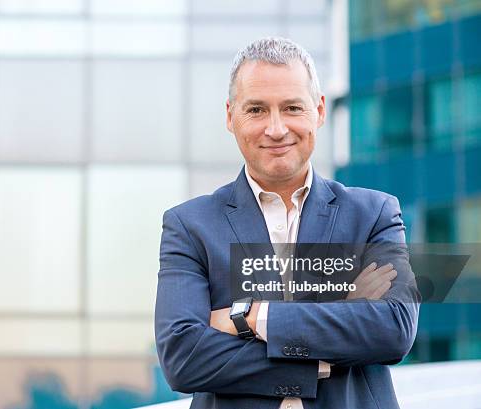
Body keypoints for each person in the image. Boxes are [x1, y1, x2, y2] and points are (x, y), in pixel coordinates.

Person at [154, 37, 420, 409]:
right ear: (231, 116)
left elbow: (393, 329)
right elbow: (183, 358)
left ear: (319, 110)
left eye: (292, 107)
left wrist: (250, 316)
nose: (276, 129)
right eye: (257, 110)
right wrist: (332, 333)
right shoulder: (190, 226)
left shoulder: (374, 214)